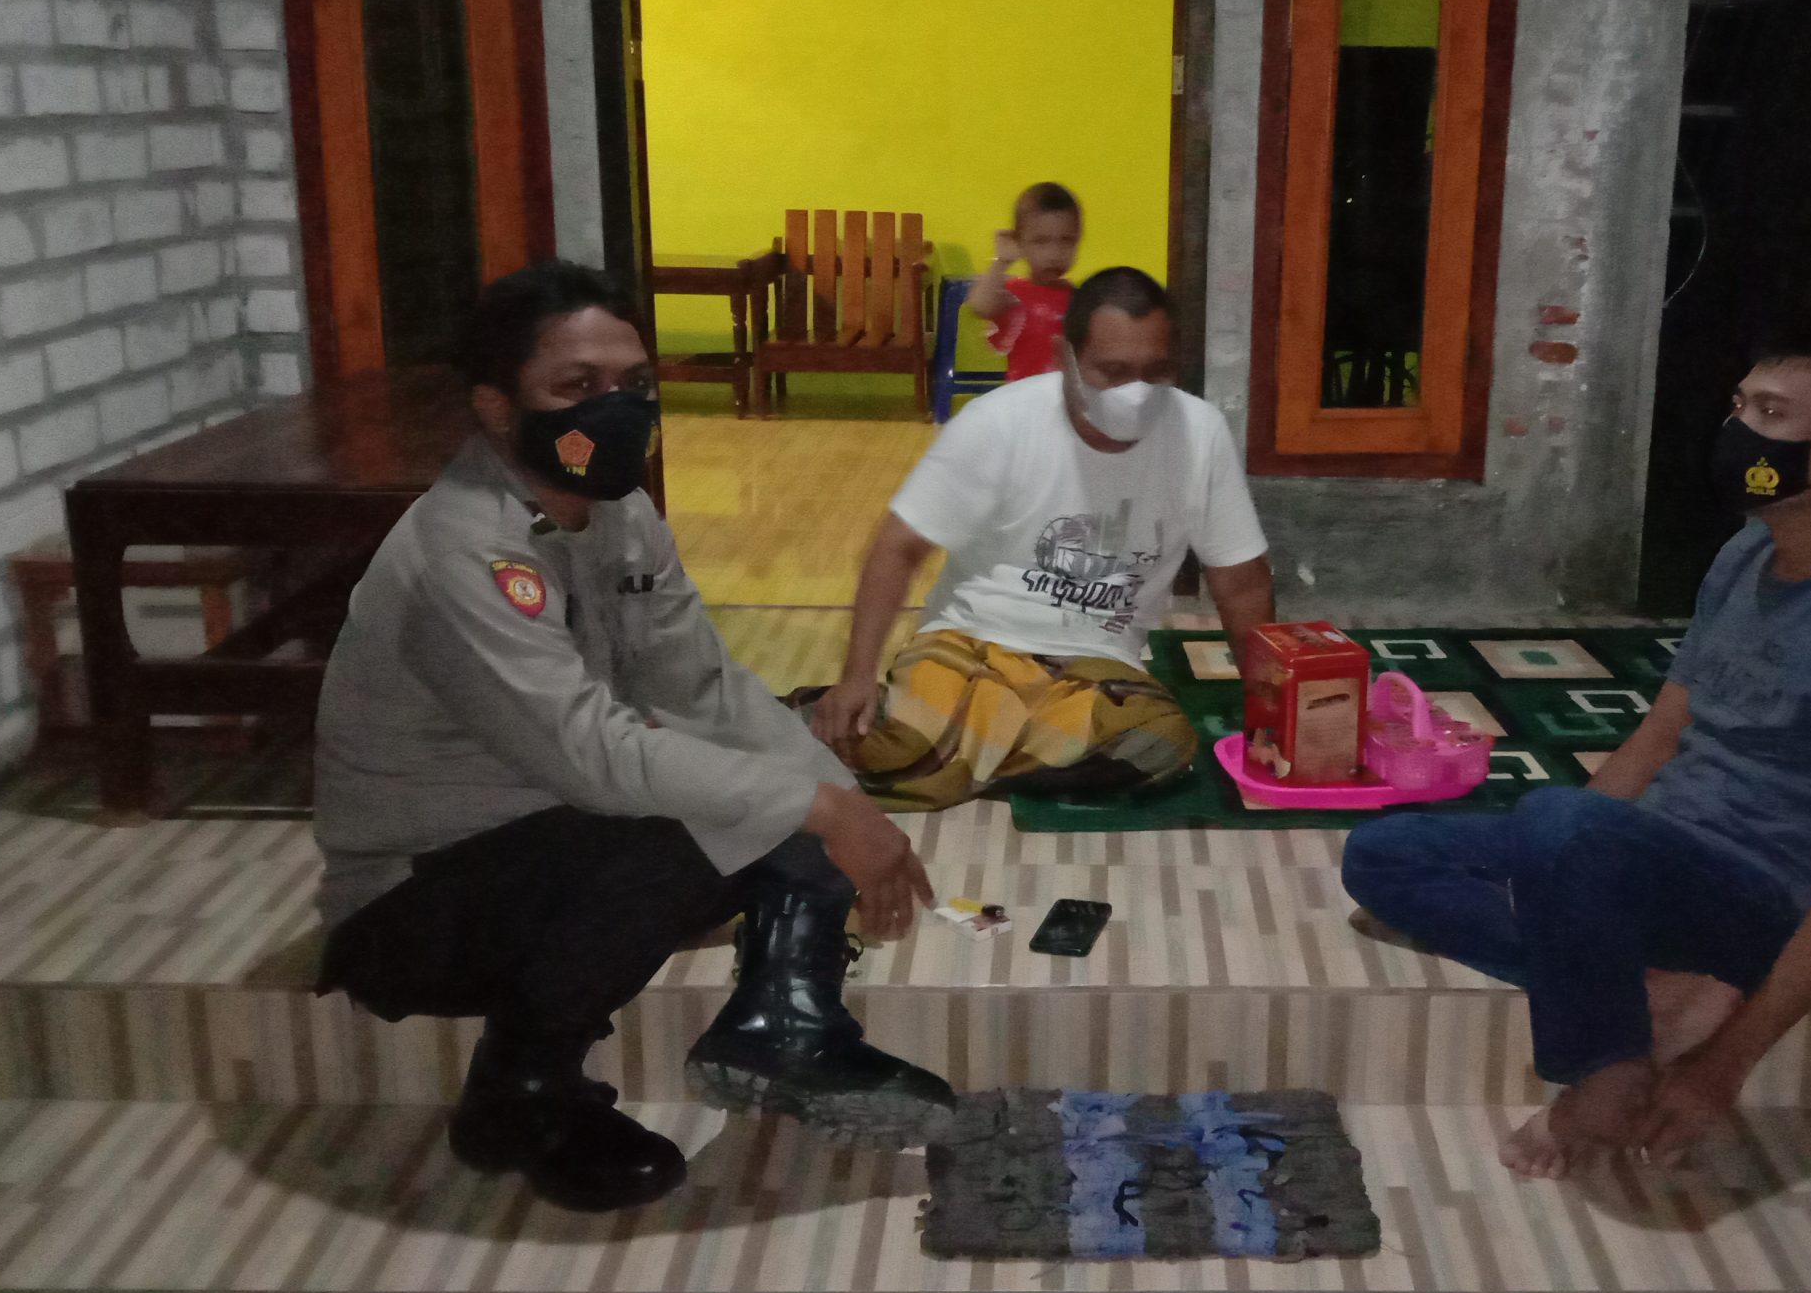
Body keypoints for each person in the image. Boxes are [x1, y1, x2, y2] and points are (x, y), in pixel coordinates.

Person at [312, 261, 955, 1214]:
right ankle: (523, 1092)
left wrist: (845, 806)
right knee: (694, 819)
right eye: (577, 386)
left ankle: (784, 1017)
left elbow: (701, 686)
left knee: (768, 777)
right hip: (413, 904)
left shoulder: (616, 511)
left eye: (635, 384)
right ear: (497, 408)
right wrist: (821, 808)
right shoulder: (467, 547)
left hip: (542, 841)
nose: (615, 410)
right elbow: (593, 753)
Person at [1341, 313, 1811, 1180]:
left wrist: (1722, 1067)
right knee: (1384, 853)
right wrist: (1566, 870)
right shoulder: (1745, 555)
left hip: (1760, 899)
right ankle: (1651, 989)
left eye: (1773, 414)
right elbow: (1662, 731)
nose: (1740, 432)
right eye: (1740, 405)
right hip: (1661, 857)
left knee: (1560, 822)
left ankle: (1606, 1062)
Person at [800, 267, 1276, 810]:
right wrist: (857, 676)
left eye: (1156, 371)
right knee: (893, 729)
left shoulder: (1200, 432)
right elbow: (897, 547)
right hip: (971, 646)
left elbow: (1241, 582)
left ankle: (950, 757)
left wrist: (1269, 707)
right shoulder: (998, 422)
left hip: (1093, 666)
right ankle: (951, 747)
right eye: (1114, 372)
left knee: (1161, 745)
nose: (1137, 393)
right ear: (1063, 357)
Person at [965, 182, 1083, 383]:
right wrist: (1001, 262)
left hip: (1066, 398)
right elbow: (979, 306)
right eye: (1041, 242)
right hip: (1023, 397)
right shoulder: (1015, 294)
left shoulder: (1081, 299)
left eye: (1066, 241)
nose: (1054, 254)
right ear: (1019, 243)